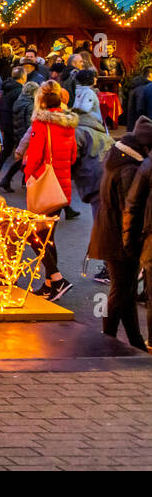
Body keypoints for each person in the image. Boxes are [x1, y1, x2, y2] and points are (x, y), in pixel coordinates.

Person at [90, 116, 152, 349]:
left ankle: (134, 341)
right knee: (121, 290)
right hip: (119, 236)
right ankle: (107, 337)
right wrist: (131, 241)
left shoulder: (118, 159)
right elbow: (131, 208)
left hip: (110, 233)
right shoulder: (130, 168)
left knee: (125, 291)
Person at [20, 81, 78, 300]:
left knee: (35, 236)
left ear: (41, 102)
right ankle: (49, 284)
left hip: (45, 184)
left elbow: (34, 156)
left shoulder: (41, 125)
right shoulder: (69, 124)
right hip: (62, 187)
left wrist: (29, 178)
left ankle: (58, 278)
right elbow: (73, 156)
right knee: (48, 236)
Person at [0, 66, 27, 187]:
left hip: (6, 123)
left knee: (6, 151)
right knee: (24, 152)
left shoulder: (7, 88)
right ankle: (13, 179)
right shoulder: (19, 91)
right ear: (23, 77)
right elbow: (19, 109)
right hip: (15, 125)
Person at [71, 69, 105, 133]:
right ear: (89, 79)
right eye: (94, 77)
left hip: (81, 123)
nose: (96, 79)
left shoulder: (80, 91)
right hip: (91, 126)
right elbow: (85, 109)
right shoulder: (88, 93)